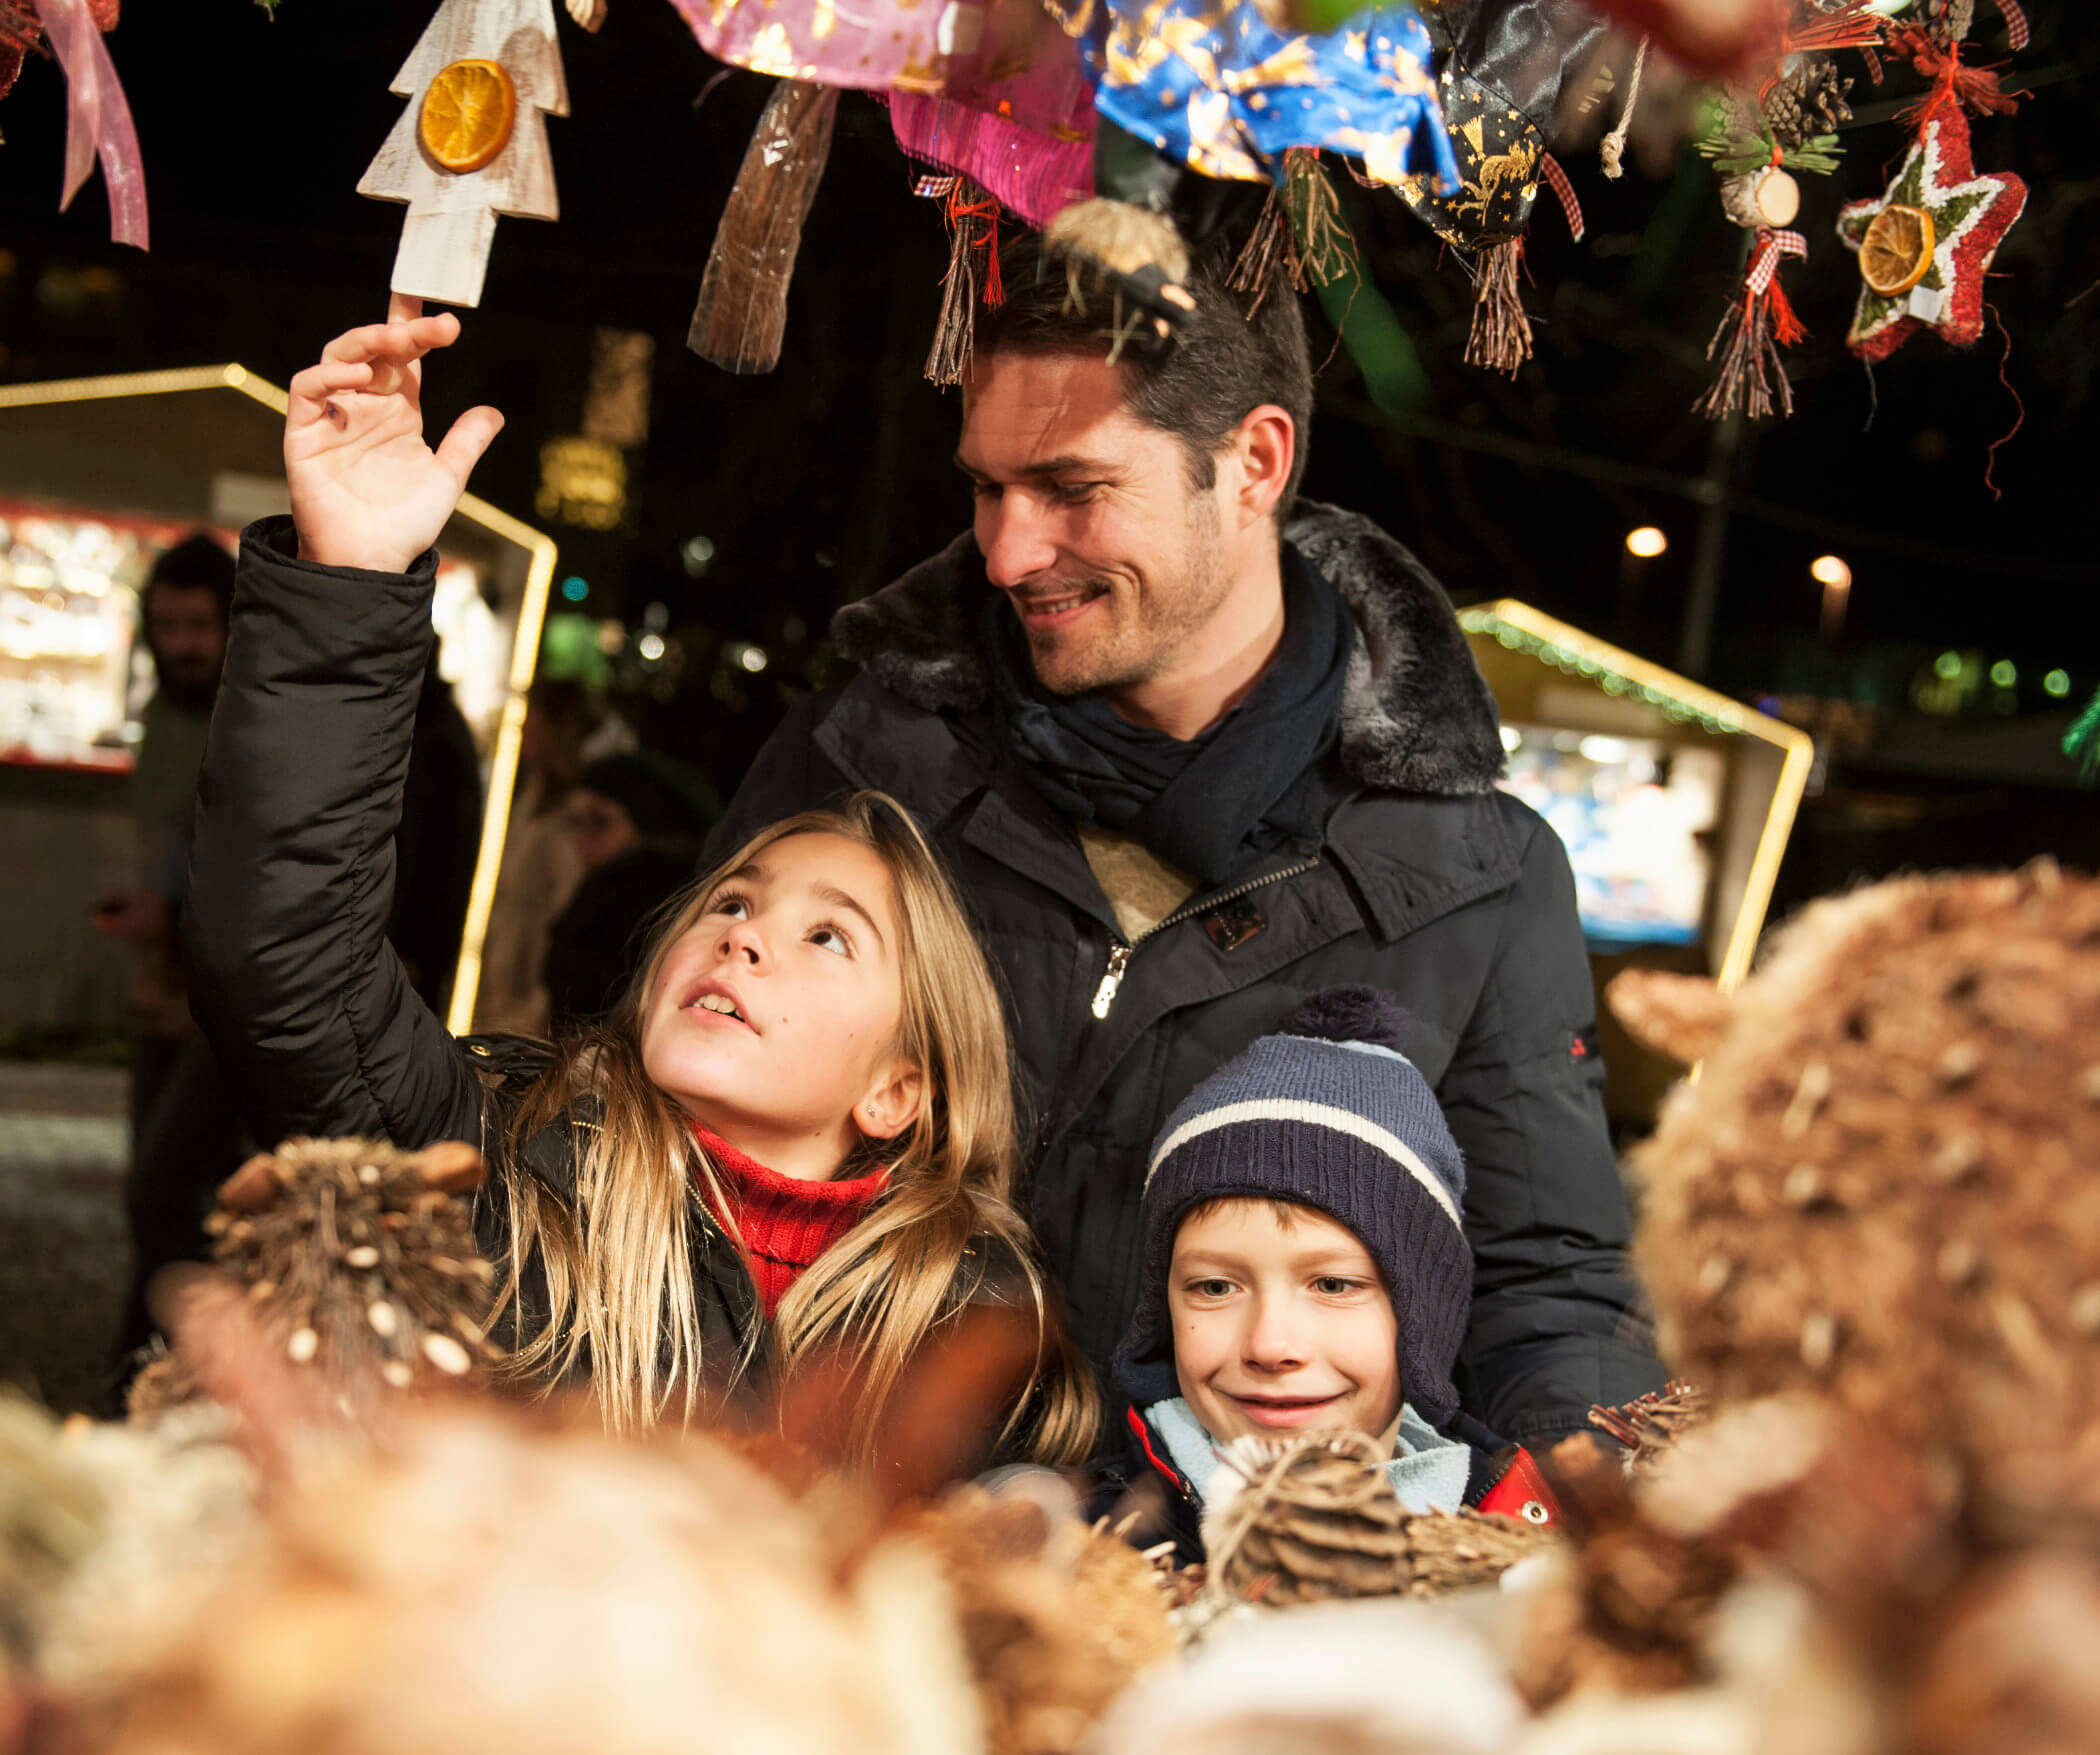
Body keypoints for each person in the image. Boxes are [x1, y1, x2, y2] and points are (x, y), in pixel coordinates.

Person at [705, 235, 1664, 1447]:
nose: (1007, 553)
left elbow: (1544, 1292)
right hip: (840, 1512)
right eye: (988, 488)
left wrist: (1586, 1483)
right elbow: (657, 1132)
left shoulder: (1477, 876)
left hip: (1239, 1553)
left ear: (1253, 462)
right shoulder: (860, 759)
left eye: (1073, 489)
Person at [180, 300, 1097, 1457]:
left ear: (897, 1093)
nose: (744, 936)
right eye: (732, 902)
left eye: (829, 937)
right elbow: (285, 955)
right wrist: (351, 577)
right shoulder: (495, 1168)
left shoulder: (969, 1342)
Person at [1107, 988, 1558, 1560]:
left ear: (1428, 1315)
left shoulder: (1541, 1562)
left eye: (1333, 1285)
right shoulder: (1077, 1556)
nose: (1270, 1347)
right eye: (1215, 1287)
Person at [98, 533, 249, 1370]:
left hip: (224, 1000)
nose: (183, 643)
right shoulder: (162, 714)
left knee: (166, 1187)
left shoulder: (246, 718)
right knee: (153, 1189)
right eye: (168, 625)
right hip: (161, 982)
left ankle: (168, 1366)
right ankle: (146, 1365)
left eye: (199, 625)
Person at [543, 750, 724, 1031]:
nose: (582, 840)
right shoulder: (585, 888)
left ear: (648, 824)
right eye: (574, 823)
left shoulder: (644, 897)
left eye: (599, 822)